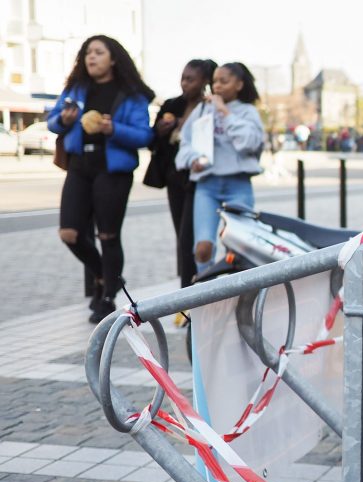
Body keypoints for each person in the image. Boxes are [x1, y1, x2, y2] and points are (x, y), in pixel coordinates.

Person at [48, 35, 154, 323]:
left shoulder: (131, 94)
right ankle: (104, 276)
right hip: (80, 165)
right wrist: (65, 121)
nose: (90, 57)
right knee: (69, 232)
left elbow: (145, 135)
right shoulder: (76, 88)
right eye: (87, 53)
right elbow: (53, 119)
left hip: (113, 169)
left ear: (114, 58)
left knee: (108, 235)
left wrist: (112, 128)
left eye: (98, 52)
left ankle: (107, 296)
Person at [175, 62, 265, 273]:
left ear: (239, 84)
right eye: (214, 81)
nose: (217, 86)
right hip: (207, 185)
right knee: (202, 247)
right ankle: (205, 293)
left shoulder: (247, 111)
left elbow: (249, 143)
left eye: (224, 81)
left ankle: (237, 294)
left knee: (240, 247)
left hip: (238, 184)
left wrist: (224, 112)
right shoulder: (203, 110)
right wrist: (193, 160)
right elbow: (185, 141)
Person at [147, 59, 216, 288]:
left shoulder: (209, 106)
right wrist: (161, 130)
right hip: (174, 176)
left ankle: (196, 286)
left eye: (191, 79)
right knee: (182, 235)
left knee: (194, 237)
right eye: (183, 78)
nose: (185, 84)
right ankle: (187, 287)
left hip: (199, 177)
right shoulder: (171, 105)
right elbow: (152, 140)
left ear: (204, 81)